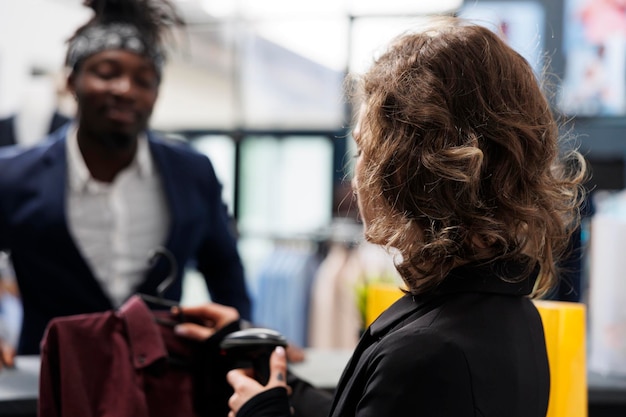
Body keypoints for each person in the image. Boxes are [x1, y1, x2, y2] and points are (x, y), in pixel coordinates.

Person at [179, 16, 587, 417]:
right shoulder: (510, 315)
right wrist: (278, 380)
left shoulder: (426, 353)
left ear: (408, 168)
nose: (356, 177)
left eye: (364, 149)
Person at [0, 0, 252, 364]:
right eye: (106, 72)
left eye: (144, 79)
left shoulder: (193, 173)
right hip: (49, 380)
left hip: (160, 378)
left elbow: (225, 268)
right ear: (71, 81)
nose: (125, 88)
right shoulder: (13, 175)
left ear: (156, 93)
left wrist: (244, 339)